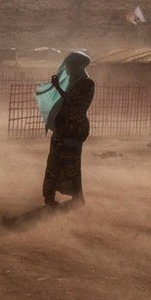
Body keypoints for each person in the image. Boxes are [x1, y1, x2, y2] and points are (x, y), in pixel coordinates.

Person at [42, 51, 95, 208]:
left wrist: (58, 88)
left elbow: (75, 103)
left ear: (79, 66)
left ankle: (76, 197)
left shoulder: (87, 83)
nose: (68, 69)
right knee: (54, 162)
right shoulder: (71, 82)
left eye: (71, 65)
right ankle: (49, 197)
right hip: (63, 128)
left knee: (71, 163)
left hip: (74, 129)